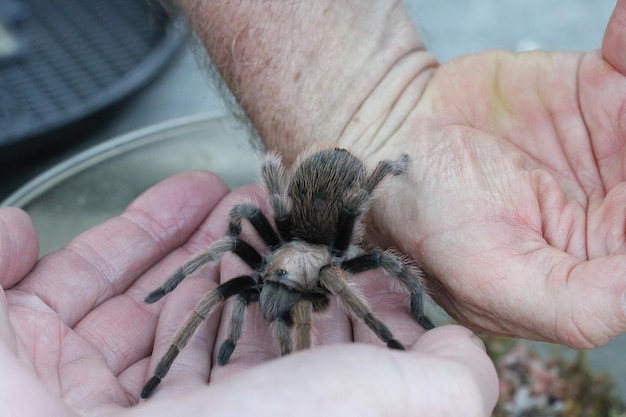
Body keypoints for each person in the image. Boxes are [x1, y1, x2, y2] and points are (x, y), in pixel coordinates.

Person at [1, 0, 625, 415]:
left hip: (322, 234)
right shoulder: (261, 262)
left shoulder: (330, 268)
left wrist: (387, 327)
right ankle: (164, 367)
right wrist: (171, 290)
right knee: (223, 266)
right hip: (297, 240)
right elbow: (232, 239)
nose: (264, 288)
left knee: (362, 257)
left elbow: (344, 265)